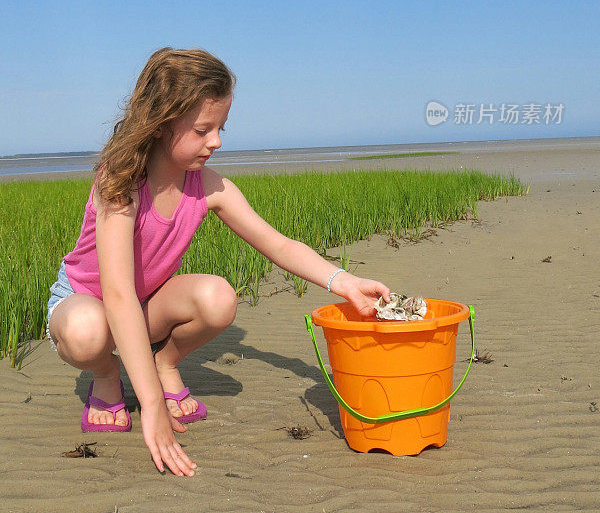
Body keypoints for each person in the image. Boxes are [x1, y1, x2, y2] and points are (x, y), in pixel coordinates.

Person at [46, 47, 391, 477]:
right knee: (88, 332)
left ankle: (163, 361)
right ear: (159, 123)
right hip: (86, 301)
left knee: (219, 297)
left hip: (145, 303)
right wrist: (151, 404)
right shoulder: (120, 183)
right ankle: (105, 374)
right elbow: (115, 295)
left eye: (221, 127)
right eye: (203, 129)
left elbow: (278, 244)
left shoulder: (207, 187)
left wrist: (343, 281)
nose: (217, 141)